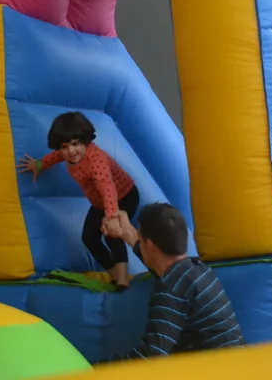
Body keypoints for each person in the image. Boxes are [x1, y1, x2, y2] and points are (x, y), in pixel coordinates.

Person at [101, 203, 244, 359]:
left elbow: (152, 356)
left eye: (141, 240)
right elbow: (159, 263)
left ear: (150, 245)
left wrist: (97, 369)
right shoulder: (197, 269)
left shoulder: (169, 290)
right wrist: (128, 233)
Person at [18, 111, 139, 289]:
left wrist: (112, 216)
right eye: (65, 146)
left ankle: (123, 281)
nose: (70, 151)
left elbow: (107, 186)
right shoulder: (68, 154)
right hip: (99, 202)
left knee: (112, 236)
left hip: (124, 195)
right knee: (89, 238)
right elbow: (56, 156)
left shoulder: (95, 159)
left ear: (85, 141)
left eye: (75, 144)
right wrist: (39, 164)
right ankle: (114, 274)